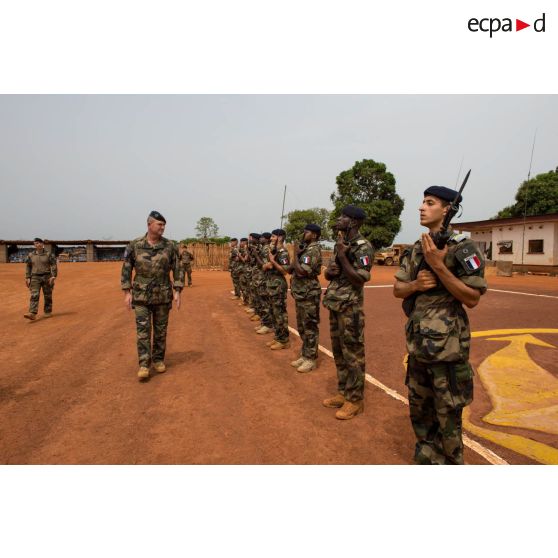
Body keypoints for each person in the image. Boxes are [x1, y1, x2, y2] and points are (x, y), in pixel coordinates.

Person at [393, 186, 487, 465]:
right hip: (418, 345)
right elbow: (398, 290)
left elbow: (472, 298)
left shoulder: (463, 248)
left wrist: (440, 265)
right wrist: (415, 284)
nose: (422, 207)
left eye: (430, 203)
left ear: (447, 210)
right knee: (420, 415)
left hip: (448, 351)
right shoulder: (415, 249)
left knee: (448, 418)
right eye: (422, 202)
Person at [322, 206, 374, 420]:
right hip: (335, 304)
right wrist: (329, 272)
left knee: (353, 354)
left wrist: (343, 258)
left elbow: (360, 278)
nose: (339, 219)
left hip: (350, 309)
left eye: (343, 217)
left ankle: (355, 400)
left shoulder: (363, 247)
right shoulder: (340, 244)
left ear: (353, 222)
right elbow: (332, 273)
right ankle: (343, 392)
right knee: (339, 352)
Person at [121, 211, 184, 381]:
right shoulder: (135, 245)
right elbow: (126, 268)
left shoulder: (170, 246)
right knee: (143, 330)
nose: (162, 228)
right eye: (159, 224)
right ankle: (143, 364)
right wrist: (127, 292)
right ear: (149, 224)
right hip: (141, 295)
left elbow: (177, 269)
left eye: (164, 225)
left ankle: (158, 359)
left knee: (160, 330)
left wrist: (177, 290)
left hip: (163, 295)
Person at [289, 224, 322, 372]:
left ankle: (311, 358)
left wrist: (296, 255)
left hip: (309, 293)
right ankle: (305, 353)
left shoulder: (313, 250)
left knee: (310, 327)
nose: (304, 234)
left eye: (307, 232)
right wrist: (297, 255)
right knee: (302, 326)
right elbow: (291, 269)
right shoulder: (305, 249)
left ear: (314, 235)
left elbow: (302, 272)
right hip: (301, 293)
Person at [262, 228, 291, 349]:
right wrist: (268, 264)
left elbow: (285, 271)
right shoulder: (273, 251)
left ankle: (284, 340)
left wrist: (272, 262)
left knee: (279, 313)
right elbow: (264, 267)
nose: (271, 239)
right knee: (274, 313)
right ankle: (278, 337)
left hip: (278, 285)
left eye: (273, 237)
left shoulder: (283, 252)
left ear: (280, 238)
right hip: (271, 285)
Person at [24, 237, 57, 320]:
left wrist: (53, 276)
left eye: (39, 243)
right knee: (34, 295)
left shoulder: (48, 254)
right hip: (35, 277)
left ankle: (48, 311)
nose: (37, 244)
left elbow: (53, 264)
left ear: (42, 244)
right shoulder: (31, 255)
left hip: (47, 277)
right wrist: (28, 277)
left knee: (48, 295)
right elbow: (28, 266)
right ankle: (32, 313)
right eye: (35, 243)